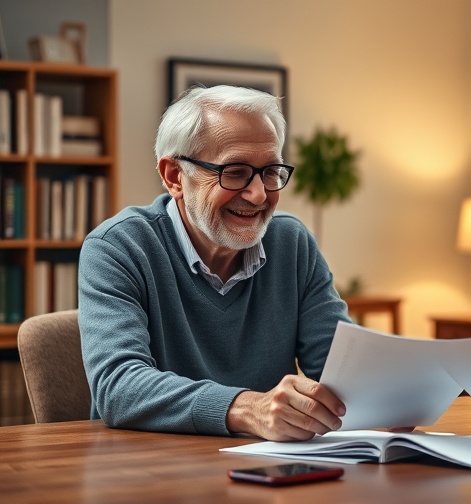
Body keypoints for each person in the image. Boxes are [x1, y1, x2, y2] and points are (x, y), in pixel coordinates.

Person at [78, 85, 352, 441]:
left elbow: (339, 371)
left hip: (269, 470)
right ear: (175, 176)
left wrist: (387, 396)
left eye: (270, 172)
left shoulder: (291, 243)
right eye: (235, 172)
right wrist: (245, 408)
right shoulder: (117, 248)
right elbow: (119, 388)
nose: (258, 195)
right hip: (149, 471)